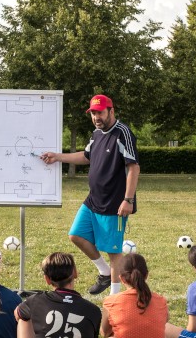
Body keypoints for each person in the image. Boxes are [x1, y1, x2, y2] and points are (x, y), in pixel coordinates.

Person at [40, 94, 140, 295]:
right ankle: (103, 272)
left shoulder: (123, 133)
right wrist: (58, 157)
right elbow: (86, 156)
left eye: (100, 112)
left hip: (115, 204)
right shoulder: (97, 134)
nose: (96, 117)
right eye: (93, 113)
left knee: (114, 253)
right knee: (75, 235)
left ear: (111, 111)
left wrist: (127, 200)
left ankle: (114, 297)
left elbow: (133, 167)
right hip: (93, 200)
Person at [101, 253, 173, 338]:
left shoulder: (111, 301)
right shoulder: (160, 300)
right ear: (146, 275)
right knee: (163, 332)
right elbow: (165, 320)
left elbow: (105, 333)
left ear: (121, 278)